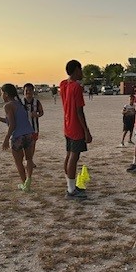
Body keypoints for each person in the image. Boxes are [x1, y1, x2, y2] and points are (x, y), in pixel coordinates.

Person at [0, 84, 35, 192]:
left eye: (2, 93)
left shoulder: (8, 106)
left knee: (18, 162)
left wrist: (6, 139)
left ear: (6, 94)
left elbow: (12, 125)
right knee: (29, 159)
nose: (1, 95)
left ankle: (24, 184)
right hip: (29, 134)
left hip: (18, 136)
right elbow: (13, 121)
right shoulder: (20, 104)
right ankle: (29, 179)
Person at [59, 60, 92, 199]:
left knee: (69, 155)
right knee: (74, 156)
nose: (82, 72)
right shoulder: (76, 87)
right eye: (81, 69)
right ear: (76, 70)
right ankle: (71, 190)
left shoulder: (63, 84)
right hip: (75, 126)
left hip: (67, 125)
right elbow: (79, 111)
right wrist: (86, 131)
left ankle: (70, 185)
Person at [22, 83, 44, 166]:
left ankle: (30, 160)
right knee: (24, 145)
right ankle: (27, 160)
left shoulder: (36, 102)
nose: (28, 92)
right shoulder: (20, 102)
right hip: (23, 128)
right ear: (23, 91)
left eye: (30, 90)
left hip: (34, 128)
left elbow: (41, 112)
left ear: (33, 91)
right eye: (26, 90)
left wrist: (37, 115)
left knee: (32, 145)